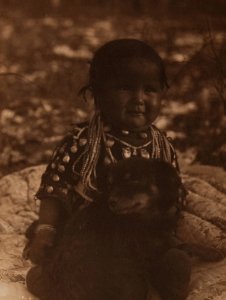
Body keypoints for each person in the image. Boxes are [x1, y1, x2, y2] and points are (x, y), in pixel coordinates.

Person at [24, 38, 183, 298]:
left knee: (167, 260)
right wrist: (46, 231)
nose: (139, 99)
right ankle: (49, 281)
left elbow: (173, 192)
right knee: (100, 274)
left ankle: (165, 274)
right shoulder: (83, 141)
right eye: (125, 88)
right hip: (90, 237)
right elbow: (54, 187)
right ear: (98, 94)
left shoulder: (162, 146)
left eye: (150, 89)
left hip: (144, 235)